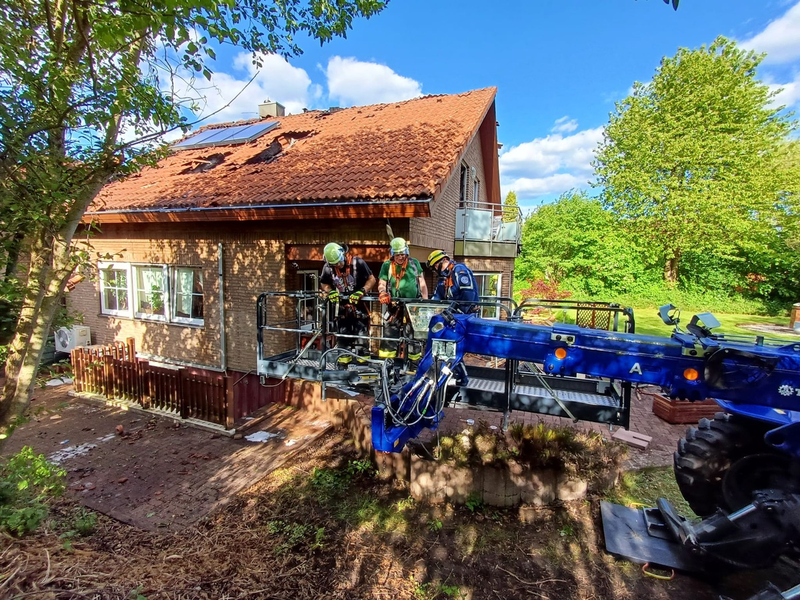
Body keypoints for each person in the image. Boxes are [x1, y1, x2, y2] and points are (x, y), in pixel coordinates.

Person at [319, 242, 376, 368]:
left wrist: (363, 291)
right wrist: (330, 291)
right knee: (343, 341)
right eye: (335, 264)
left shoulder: (358, 263)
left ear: (343, 254)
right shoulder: (328, 268)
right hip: (342, 311)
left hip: (359, 309)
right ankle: (342, 368)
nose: (338, 265)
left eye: (339, 262)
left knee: (361, 341)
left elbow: (372, 279)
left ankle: (363, 367)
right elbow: (324, 283)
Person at [377, 237, 428, 369]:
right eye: (397, 254)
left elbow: (422, 284)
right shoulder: (387, 266)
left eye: (402, 254)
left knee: (413, 338)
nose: (400, 257)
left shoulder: (414, 263)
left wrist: (425, 303)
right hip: (395, 307)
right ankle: (387, 366)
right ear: (393, 254)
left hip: (413, 307)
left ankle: (414, 366)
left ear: (407, 252)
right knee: (390, 336)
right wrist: (382, 291)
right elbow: (382, 283)